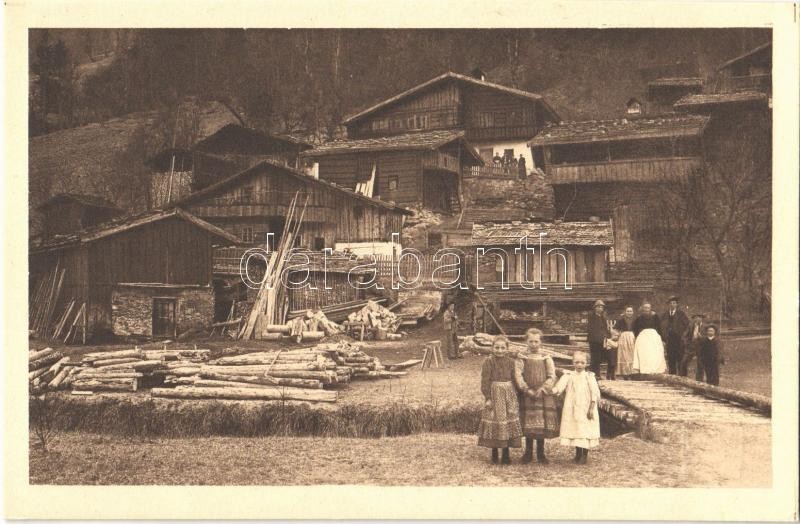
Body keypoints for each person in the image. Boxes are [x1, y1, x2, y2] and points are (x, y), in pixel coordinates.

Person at [478, 335, 525, 464]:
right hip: (495, 394)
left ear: (507, 349)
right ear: (492, 348)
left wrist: (517, 394)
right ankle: (494, 453)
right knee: (496, 421)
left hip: (509, 394)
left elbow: (515, 379)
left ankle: (505, 454)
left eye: (502, 348)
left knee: (508, 422)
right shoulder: (488, 361)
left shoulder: (511, 362)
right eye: (497, 348)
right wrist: (488, 398)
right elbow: (485, 381)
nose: (499, 350)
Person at [550, 351, 601, 465]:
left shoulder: (589, 376)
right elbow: (559, 387)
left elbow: (594, 392)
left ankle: (584, 455)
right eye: (577, 362)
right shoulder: (569, 376)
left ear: (586, 364)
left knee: (585, 428)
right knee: (576, 428)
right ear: (573, 362)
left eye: (582, 363)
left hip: (586, 406)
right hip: (572, 407)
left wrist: (592, 407)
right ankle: (578, 453)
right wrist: (552, 391)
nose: (579, 365)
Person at [518, 328, 559, 464]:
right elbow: (518, 375)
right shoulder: (522, 357)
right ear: (526, 341)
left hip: (542, 394)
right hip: (528, 394)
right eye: (531, 341)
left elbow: (552, 375)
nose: (534, 344)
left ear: (541, 341)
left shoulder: (546, 357)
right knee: (528, 423)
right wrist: (525, 389)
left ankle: (541, 453)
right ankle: (528, 453)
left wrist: (543, 388)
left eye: (536, 341)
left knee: (541, 424)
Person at [632, 302, 666, 374]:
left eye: (648, 308)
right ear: (642, 309)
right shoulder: (639, 318)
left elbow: (659, 327)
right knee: (644, 353)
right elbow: (635, 328)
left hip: (654, 337)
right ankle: (645, 370)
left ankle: (654, 370)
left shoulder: (655, 317)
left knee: (654, 352)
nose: (647, 309)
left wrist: (662, 339)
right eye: (645, 308)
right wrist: (638, 336)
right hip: (643, 338)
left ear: (650, 309)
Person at [662, 295, 690, 375]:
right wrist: (664, 337)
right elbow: (661, 326)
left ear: (677, 304)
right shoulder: (665, 315)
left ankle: (682, 377)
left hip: (679, 340)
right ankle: (672, 376)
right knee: (671, 359)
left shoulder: (681, 314)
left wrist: (682, 334)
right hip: (669, 340)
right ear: (668, 305)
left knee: (680, 359)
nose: (672, 305)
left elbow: (687, 325)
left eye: (674, 303)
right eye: (670, 303)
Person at [587, 300, 612, 379]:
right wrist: (596, 338)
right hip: (594, 341)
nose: (600, 308)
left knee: (600, 357)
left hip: (602, 340)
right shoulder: (592, 317)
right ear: (595, 308)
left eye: (601, 307)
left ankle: (597, 374)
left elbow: (605, 329)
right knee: (595, 357)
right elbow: (591, 329)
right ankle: (594, 374)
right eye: (598, 307)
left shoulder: (603, 318)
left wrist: (608, 336)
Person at [681, 313, 706, 380]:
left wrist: (701, 337)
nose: (698, 319)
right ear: (694, 319)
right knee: (684, 362)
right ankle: (683, 378)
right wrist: (687, 343)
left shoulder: (705, 327)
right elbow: (685, 335)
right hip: (691, 347)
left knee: (700, 365)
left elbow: (708, 338)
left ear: (702, 319)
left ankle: (699, 381)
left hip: (701, 348)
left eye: (700, 317)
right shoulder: (691, 326)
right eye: (696, 317)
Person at [613, 305, 637, 376]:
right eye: (628, 311)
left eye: (630, 311)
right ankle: (624, 373)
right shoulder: (621, 320)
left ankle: (631, 372)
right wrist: (618, 334)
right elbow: (615, 329)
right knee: (624, 354)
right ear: (625, 312)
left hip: (632, 337)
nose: (629, 312)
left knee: (631, 353)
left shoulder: (635, 320)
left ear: (633, 312)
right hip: (623, 337)